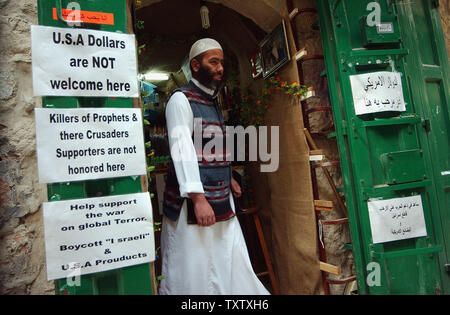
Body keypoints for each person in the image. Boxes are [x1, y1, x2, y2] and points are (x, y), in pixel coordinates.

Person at [159, 38, 270, 295]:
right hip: (192, 204)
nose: (220, 68)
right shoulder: (180, 100)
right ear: (195, 65)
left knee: (228, 260)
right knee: (193, 268)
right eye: (214, 62)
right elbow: (183, 150)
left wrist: (228, 175)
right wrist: (198, 198)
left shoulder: (211, 101)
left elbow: (212, 147)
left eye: (222, 62)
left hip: (221, 197)